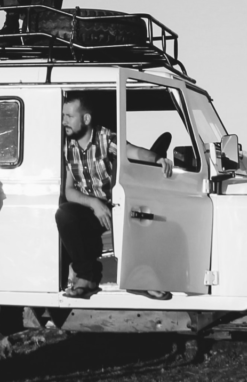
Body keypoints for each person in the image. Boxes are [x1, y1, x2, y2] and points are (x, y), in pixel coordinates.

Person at [57, 92, 173, 300]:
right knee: (65, 214)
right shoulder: (67, 146)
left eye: (69, 116)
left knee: (142, 215)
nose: (64, 121)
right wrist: (93, 203)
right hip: (91, 209)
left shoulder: (105, 137)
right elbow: (69, 191)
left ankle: (140, 281)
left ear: (86, 119)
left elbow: (133, 151)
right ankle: (86, 278)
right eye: (63, 115)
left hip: (114, 206)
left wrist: (157, 160)